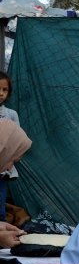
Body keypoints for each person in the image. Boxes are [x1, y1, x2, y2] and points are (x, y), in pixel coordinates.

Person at [0, 72, 21, 221]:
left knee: (0, 207)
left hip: (2, 170)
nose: (1, 93)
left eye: (5, 90)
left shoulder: (11, 114)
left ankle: (3, 243)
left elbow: (18, 142)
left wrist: (11, 161)